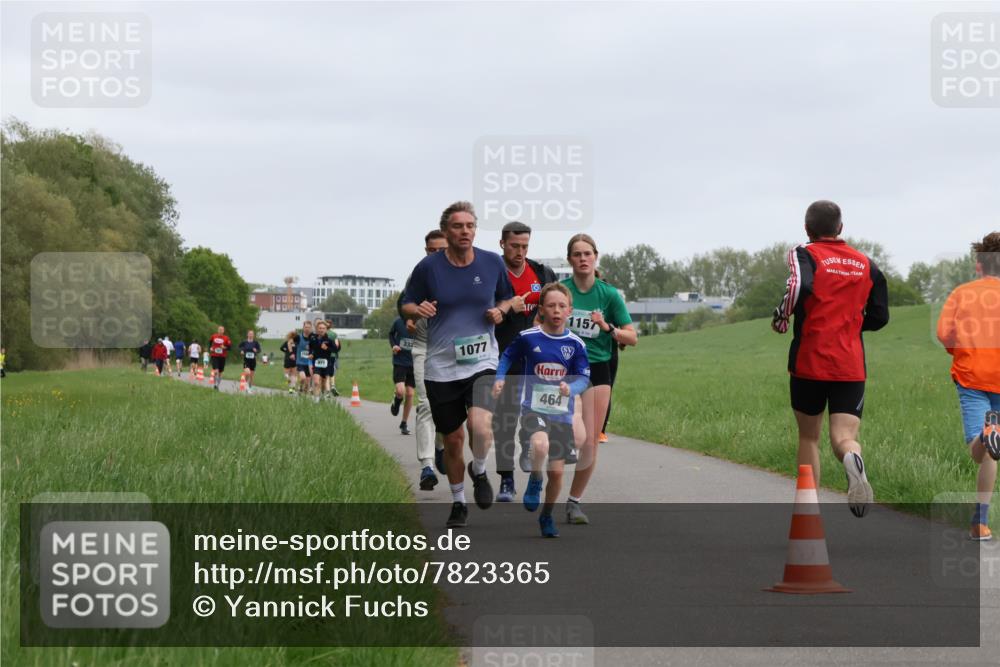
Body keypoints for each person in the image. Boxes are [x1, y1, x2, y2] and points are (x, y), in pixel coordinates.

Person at [772, 200, 889, 518]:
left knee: (809, 436)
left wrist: (782, 317)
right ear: (840, 228)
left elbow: (799, 284)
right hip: (850, 365)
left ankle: (807, 511)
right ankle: (852, 458)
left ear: (807, 229)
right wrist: (851, 324)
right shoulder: (867, 264)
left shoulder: (804, 252)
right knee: (844, 438)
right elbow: (880, 316)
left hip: (809, 362)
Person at [401, 201, 514, 528]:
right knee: (452, 441)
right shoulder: (429, 268)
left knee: (480, 427)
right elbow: (405, 303)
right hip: (441, 367)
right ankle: (459, 501)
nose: (464, 231)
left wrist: (501, 311)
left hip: (482, 360)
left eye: (469, 226)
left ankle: (479, 469)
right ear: (446, 231)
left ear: (475, 230)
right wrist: (416, 309)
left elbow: (506, 297)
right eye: (457, 226)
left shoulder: (492, 263)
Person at [494, 283, 591, 537]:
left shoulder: (576, 344)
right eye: (551, 306)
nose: (556, 311)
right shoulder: (528, 337)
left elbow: (583, 377)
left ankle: (547, 515)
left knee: (557, 473)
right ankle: (535, 478)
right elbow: (506, 356)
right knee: (540, 447)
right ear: (541, 310)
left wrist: (572, 387)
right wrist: (500, 378)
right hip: (533, 409)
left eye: (562, 306)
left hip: (562, 413)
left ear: (570, 310)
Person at [560, 234, 638, 524]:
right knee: (567, 432)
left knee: (590, 440)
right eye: (577, 254)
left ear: (595, 257)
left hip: (598, 367)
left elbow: (632, 337)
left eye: (587, 254)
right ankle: (541, 481)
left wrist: (607, 327)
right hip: (563, 367)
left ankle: (574, 502)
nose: (583, 259)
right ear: (570, 259)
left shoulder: (609, 295)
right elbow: (539, 324)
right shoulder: (561, 291)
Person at [936, 231, 1000, 541]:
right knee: (991, 451)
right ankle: (980, 522)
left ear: (979, 265)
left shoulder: (962, 293)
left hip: (971, 376)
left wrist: (960, 351)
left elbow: (944, 332)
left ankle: (980, 522)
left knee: (981, 452)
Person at [492, 221, 559, 502]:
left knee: (536, 415)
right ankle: (506, 479)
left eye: (524, 246)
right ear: (502, 244)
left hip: (537, 359)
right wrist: (506, 309)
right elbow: (482, 312)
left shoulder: (542, 273)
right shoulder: (491, 274)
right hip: (504, 355)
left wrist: (540, 319)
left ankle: (526, 444)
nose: (520, 252)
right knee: (504, 420)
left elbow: (556, 305)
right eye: (514, 246)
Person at [398, 229, 449, 492]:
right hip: (424, 346)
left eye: (442, 250)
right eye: (432, 251)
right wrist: (411, 316)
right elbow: (404, 305)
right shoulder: (418, 275)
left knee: (449, 410)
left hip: (453, 351)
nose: (437, 255)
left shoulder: (463, 273)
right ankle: (427, 465)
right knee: (425, 404)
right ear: (426, 251)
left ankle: (440, 445)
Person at [389, 316, 417, 437]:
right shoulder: (398, 321)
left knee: (410, 394)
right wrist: (394, 345)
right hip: (399, 361)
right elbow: (391, 334)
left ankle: (404, 423)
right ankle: (397, 400)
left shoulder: (420, 322)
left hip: (414, 362)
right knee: (401, 391)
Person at [310, 321, 338, 403]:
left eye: (323, 328)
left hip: (326, 364)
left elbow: (336, 350)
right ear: (317, 329)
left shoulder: (329, 340)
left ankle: (322, 394)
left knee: (323, 382)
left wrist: (327, 349)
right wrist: (311, 354)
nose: (321, 330)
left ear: (326, 330)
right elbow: (311, 348)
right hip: (316, 363)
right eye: (320, 328)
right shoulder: (313, 339)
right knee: (316, 382)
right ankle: (316, 400)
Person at [208, 326, 232, 391]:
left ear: (223, 331)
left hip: (222, 356)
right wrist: (210, 348)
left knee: (220, 372)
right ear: (217, 330)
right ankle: (215, 384)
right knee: (216, 371)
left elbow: (230, 347)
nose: (220, 331)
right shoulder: (213, 336)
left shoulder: (226, 338)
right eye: (219, 330)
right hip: (214, 355)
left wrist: (224, 347)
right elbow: (209, 343)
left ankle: (217, 385)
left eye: (222, 330)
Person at [294, 321, 315, 395]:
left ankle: (304, 395)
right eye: (306, 327)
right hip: (300, 362)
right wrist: (291, 353)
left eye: (309, 327)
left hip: (309, 363)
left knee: (307, 383)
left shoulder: (314, 338)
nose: (307, 329)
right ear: (303, 328)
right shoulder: (298, 337)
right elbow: (290, 343)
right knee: (303, 378)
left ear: (311, 328)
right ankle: (300, 387)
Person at [325, 320, 342, 396]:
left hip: (323, 355)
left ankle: (327, 390)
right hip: (333, 355)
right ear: (331, 326)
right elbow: (337, 345)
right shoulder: (334, 334)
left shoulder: (321, 333)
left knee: (325, 373)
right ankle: (333, 386)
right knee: (332, 371)